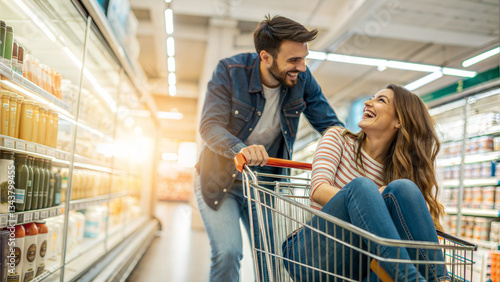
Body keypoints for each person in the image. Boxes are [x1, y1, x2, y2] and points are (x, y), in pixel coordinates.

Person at [195, 15, 344, 281]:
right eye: (293, 60)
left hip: (263, 185)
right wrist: (240, 149)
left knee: (272, 258)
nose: (302, 67)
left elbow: (330, 125)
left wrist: (359, 148)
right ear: (265, 57)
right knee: (229, 253)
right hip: (218, 182)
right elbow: (210, 126)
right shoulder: (230, 71)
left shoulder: (303, 80)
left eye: (304, 58)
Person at [282, 84, 447, 281]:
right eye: (372, 97)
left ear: (398, 121)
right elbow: (318, 189)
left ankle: (441, 279)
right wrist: (373, 197)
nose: (368, 103)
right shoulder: (338, 138)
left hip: (355, 266)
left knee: (404, 187)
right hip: (310, 256)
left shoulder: (396, 174)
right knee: (361, 186)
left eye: (380, 100)